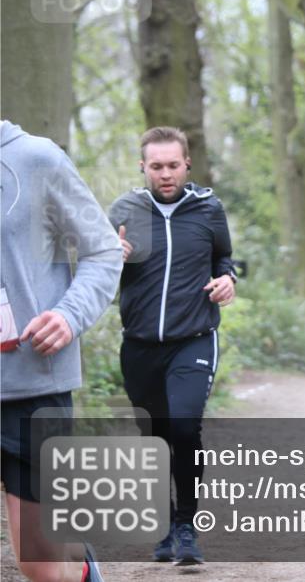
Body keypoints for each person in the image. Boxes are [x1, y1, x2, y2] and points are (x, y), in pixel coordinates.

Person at [109, 126, 237, 566]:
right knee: (154, 437)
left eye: (173, 165)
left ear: (187, 164)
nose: (166, 174)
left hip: (194, 338)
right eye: (157, 166)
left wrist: (228, 279)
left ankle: (186, 529)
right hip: (140, 344)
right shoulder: (124, 210)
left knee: (184, 427)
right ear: (143, 167)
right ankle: (163, 527)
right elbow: (94, 270)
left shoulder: (208, 209)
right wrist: (113, 257)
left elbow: (224, 256)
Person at [1, 119, 122, 582]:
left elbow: (104, 250)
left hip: (30, 385)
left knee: (42, 567)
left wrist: (69, 315)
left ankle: (82, 568)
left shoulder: (37, 158)